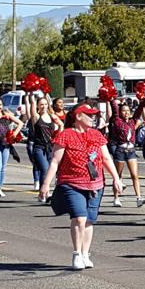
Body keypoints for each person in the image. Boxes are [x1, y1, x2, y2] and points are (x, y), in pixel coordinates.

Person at [41, 104, 122, 270]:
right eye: (89, 115)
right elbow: (55, 161)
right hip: (71, 183)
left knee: (89, 220)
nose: (92, 118)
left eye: (93, 115)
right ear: (78, 116)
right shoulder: (65, 135)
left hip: (95, 184)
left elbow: (106, 159)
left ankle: (85, 253)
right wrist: (46, 184)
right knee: (79, 218)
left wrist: (116, 178)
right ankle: (77, 254)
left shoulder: (97, 135)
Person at [107, 99, 145, 208]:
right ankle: (116, 198)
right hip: (120, 151)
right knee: (118, 176)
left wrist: (143, 101)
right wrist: (112, 100)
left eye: (128, 111)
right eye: (124, 111)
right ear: (120, 112)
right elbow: (114, 110)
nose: (126, 113)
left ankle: (139, 198)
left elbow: (138, 111)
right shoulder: (117, 121)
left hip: (131, 151)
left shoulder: (132, 121)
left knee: (134, 175)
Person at [28, 93, 61, 197]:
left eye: (45, 104)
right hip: (39, 148)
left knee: (50, 170)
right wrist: (31, 94)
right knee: (45, 169)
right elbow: (32, 105)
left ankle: (44, 192)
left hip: (50, 147)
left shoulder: (52, 116)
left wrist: (58, 135)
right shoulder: (37, 117)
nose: (44, 106)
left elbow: (61, 124)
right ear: (38, 106)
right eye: (41, 104)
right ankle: (44, 193)